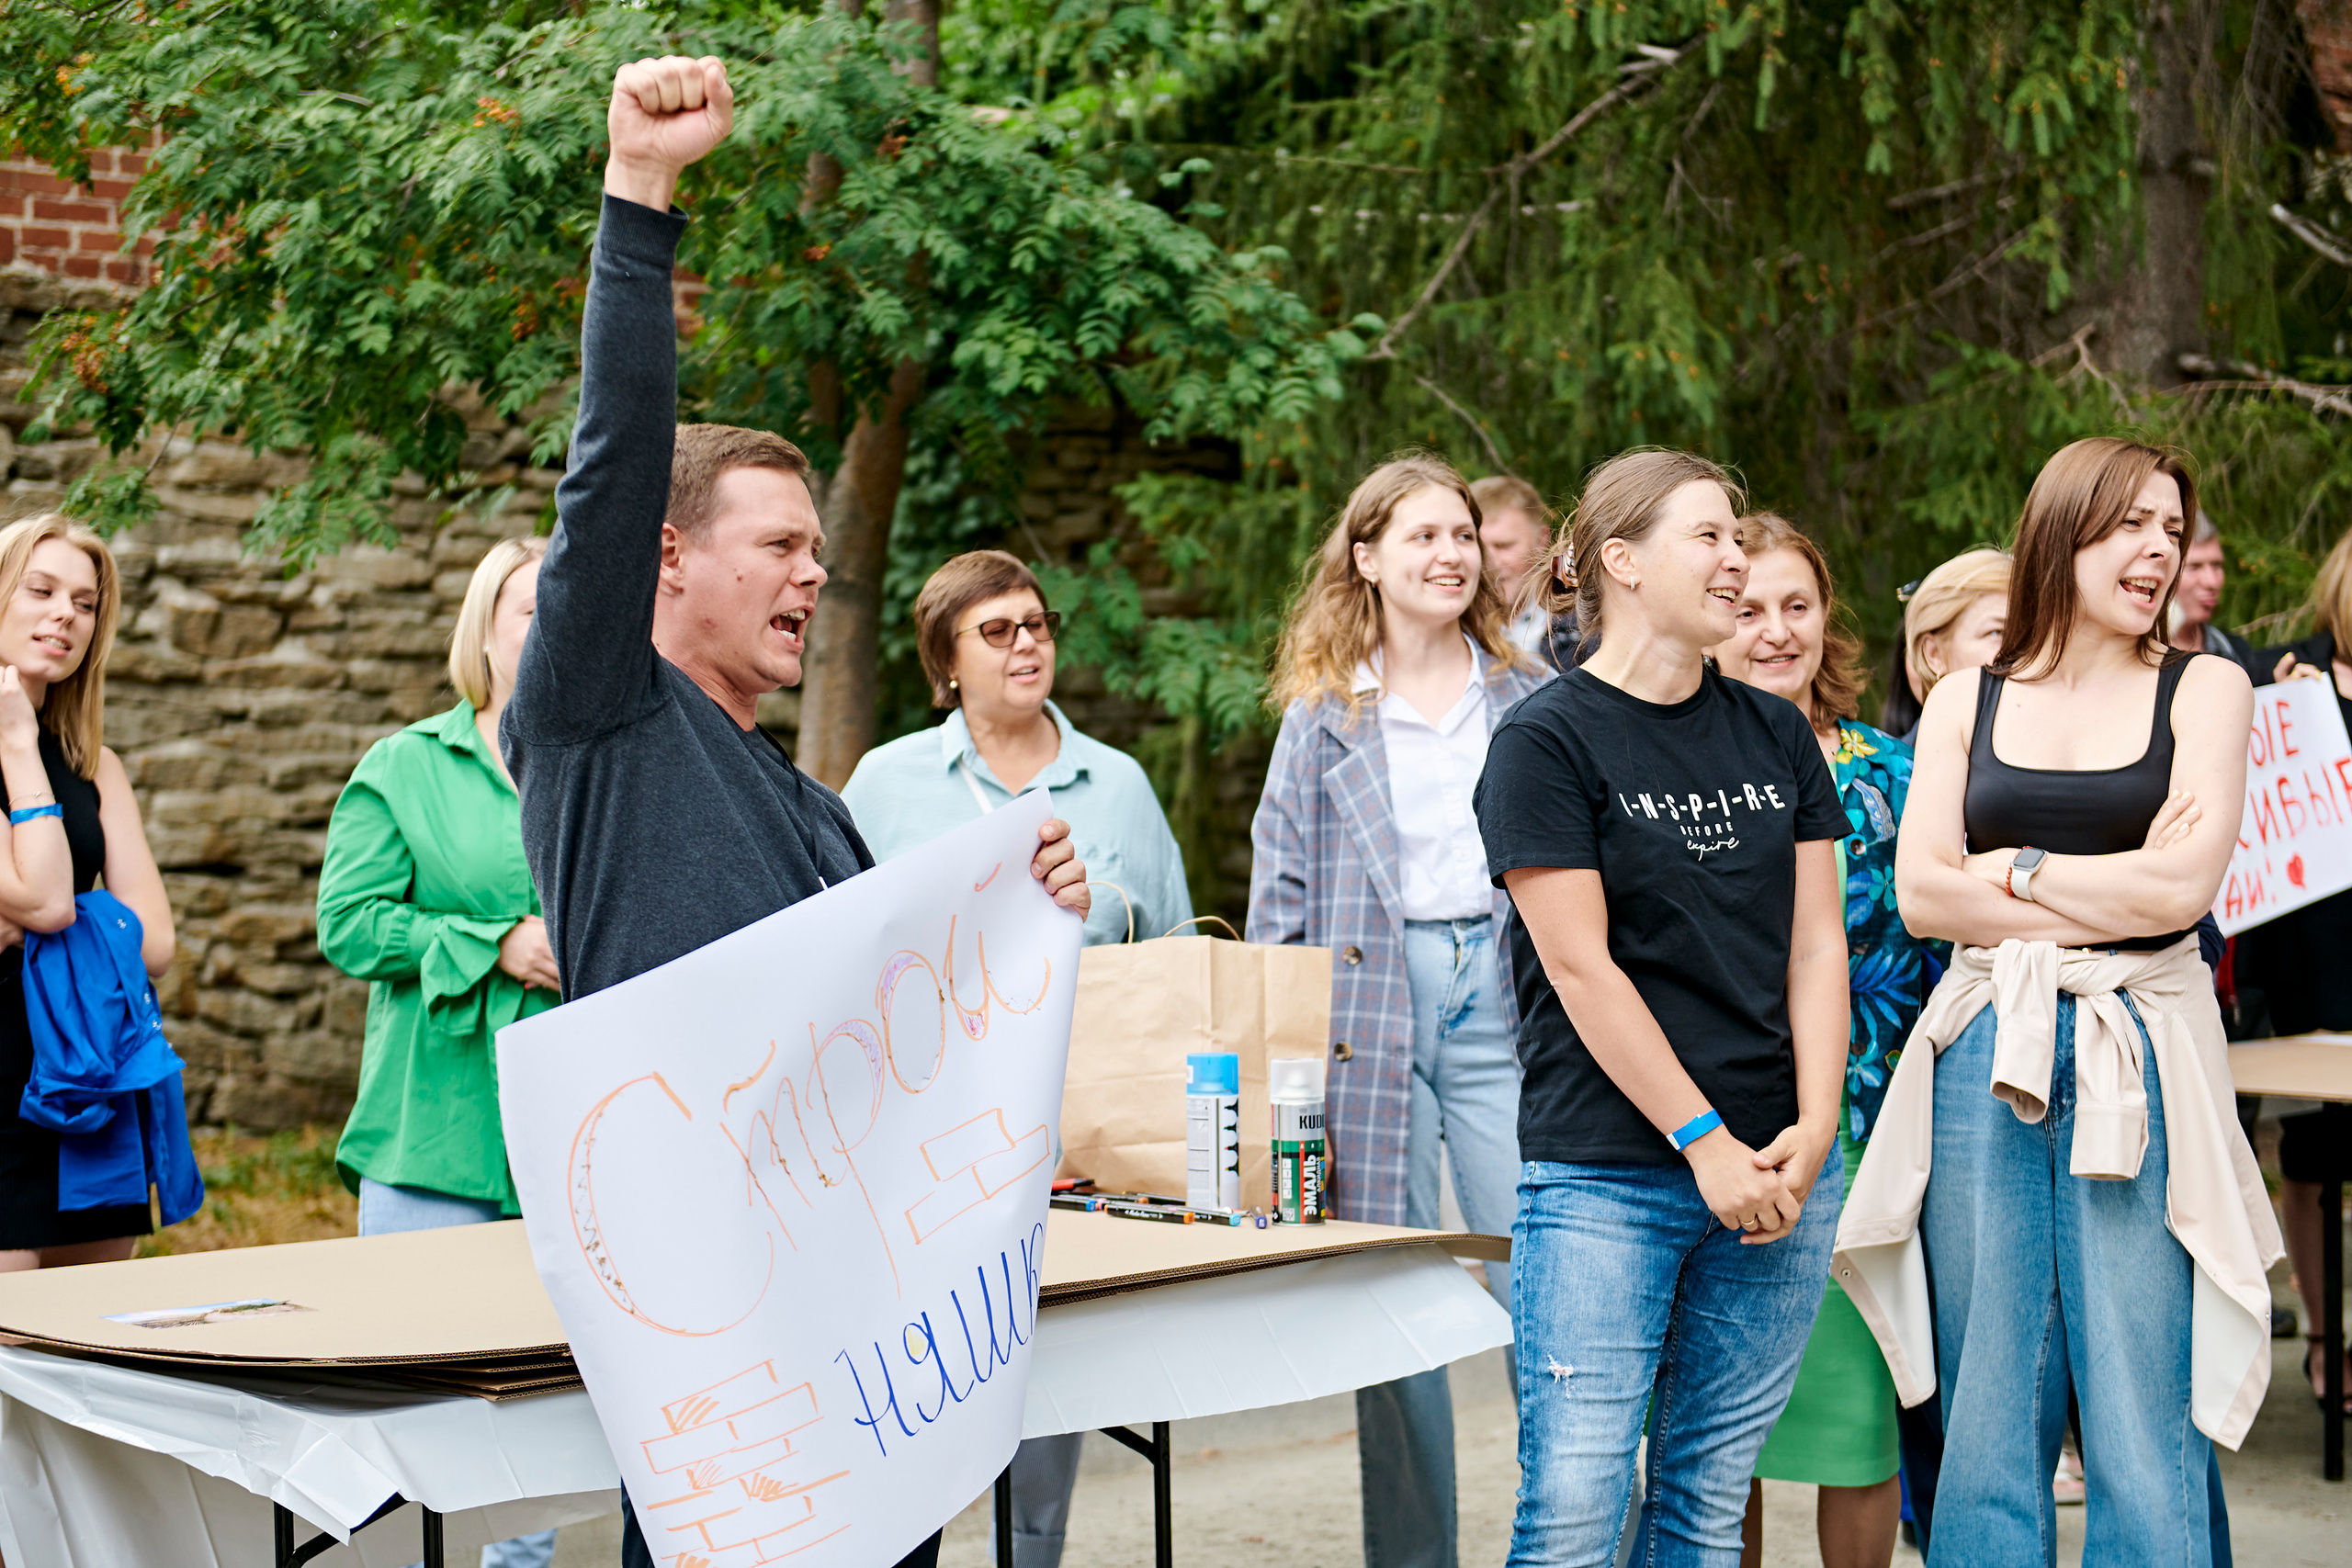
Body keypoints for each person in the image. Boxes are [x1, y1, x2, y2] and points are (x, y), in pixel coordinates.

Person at [499, 57, 1089, 1568]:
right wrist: (640, 195)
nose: (814, 573)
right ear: (670, 561)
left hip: (853, 1326)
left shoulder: (820, 816)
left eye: (822, 546)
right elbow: (612, 461)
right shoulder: (598, 721)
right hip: (717, 1352)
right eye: (780, 543)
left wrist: (1028, 916)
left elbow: (899, 1037)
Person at [1847, 435, 2280, 1568]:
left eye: (2172, 528)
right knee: (1987, 1411)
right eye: (2130, 523)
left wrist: (2020, 872)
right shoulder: (1965, 700)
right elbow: (1926, 893)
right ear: (2061, 530)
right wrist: (2094, 884)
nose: (2158, 549)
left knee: (2143, 1412)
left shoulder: (2208, 688)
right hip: (1982, 1052)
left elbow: (2181, 890)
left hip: (2137, 1046)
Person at [1472, 450, 1850, 1566]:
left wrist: (1814, 1131)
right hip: (1607, 1179)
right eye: (1710, 538)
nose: (1736, 559)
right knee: (1578, 1510)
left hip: (1777, 1171)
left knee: (1701, 1502)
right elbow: (1582, 970)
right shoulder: (1543, 743)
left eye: (1738, 537)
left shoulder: (1775, 733)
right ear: (1622, 562)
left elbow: (1815, 942)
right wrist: (1701, 1142)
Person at [841, 547, 1189, 1568]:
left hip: (1076, 1139)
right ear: (944, 662)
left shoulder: (1116, 785)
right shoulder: (885, 782)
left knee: (1044, 1387)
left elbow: (1168, 955)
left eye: (1036, 624)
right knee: (918, 1389)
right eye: (996, 631)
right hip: (916, 1151)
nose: (1026, 643)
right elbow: (844, 952)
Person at [1250, 452, 1548, 1568]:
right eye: (1421, 536)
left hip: (1503, 998)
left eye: (1462, 535)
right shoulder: (1323, 716)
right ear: (1367, 559)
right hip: (1362, 1014)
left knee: (1543, 1264)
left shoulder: (1526, 697)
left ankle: (1568, 1533)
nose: (1449, 555)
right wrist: (1286, 1067)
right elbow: (1279, 894)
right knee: (1394, 1295)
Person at [315, 536, 559, 1568]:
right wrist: (491, 942)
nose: (549, 626)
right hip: (437, 1129)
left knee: (549, 1400)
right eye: (527, 609)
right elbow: (350, 925)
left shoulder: (622, 768)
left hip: (577, 1128)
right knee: (420, 1401)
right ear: (485, 634)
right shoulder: (406, 765)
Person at [1713, 514, 1933, 1568]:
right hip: (1715, 1133)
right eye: (1748, 608)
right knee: (1719, 1441)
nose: (1774, 630)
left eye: (1795, 605)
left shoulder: (1893, 773)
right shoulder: (1675, 769)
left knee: (1855, 1427)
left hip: (1863, 1129)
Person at [0, 513, 178, 1274]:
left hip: (95, 1073)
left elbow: (160, 941)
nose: (64, 614)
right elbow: (48, 898)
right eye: (40, 590)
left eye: (84, 601)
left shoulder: (93, 762)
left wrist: (52, 919)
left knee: (93, 1346)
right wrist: (12, 741)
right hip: (2, 1081)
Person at [2239, 521, 2352, 1407]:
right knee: (2314, 1151)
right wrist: (2272, 709)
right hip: (2314, 946)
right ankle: (2323, 1340)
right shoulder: (2289, 674)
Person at [1877, 548, 2008, 740]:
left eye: (2031, 634)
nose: (2022, 649)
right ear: (1934, 654)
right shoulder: (1895, 769)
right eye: (1996, 632)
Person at [2167, 512, 2259, 674]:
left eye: (2217, 565)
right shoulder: (2131, 655)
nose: (2212, 582)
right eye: (2194, 567)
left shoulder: (2232, 651)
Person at [1473, 474, 1553, 656]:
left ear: (1541, 540)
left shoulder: (1579, 624)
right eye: (1478, 546)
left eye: (1503, 546)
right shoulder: (1447, 626)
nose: (1489, 563)